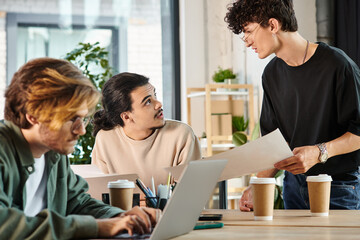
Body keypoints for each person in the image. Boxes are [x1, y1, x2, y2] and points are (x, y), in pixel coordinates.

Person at [0, 58, 160, 239]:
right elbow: (4, 224)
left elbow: (77, 202)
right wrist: (97, 227)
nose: (81, 130)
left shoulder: (53, 151)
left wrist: (119, 216)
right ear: (34, 116)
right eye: (71, 119)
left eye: (82, 119)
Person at [225, 0, 360, 210]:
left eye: (249, 31)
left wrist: (319, 152)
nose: (247, 42)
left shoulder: (337, 65)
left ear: (272, 25)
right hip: (293, 189)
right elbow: (276, 142)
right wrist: (258, 184)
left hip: (338, 187)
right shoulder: (271, 74)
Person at [92, 72, 201, 187]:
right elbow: (101, 193)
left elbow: (189, 194)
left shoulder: (182, 135)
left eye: (155, 95)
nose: (159, 104)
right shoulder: (105, 139)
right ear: (126, 116)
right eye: (148, 102)